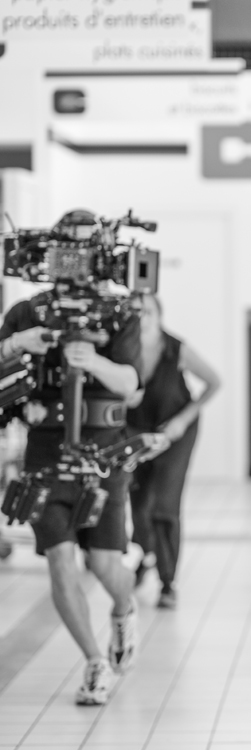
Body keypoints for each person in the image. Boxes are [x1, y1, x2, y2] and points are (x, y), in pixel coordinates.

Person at [0, 210, 142, 706]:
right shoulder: (26, 313)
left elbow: (131, 385)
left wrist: (93, 360)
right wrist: (19, 344)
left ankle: (125, 611)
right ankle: (94, 662)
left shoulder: (120, 313)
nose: (73, 261)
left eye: (84, 250)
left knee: (105, 564)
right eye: (64, 249)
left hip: (103, 453)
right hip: (44, 451)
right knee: (60, 561)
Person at [128, 293, 221, 610]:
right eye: (136, 311)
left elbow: (213, 382)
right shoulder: (122, 349)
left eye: (148, 311)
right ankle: (144, 554)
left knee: (164, 505)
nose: (142, 317)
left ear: (159, 315)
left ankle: (167, 582)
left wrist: (181, 421)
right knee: (138, 504)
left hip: (174, 435)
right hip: (136, 434)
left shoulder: (175, 348)